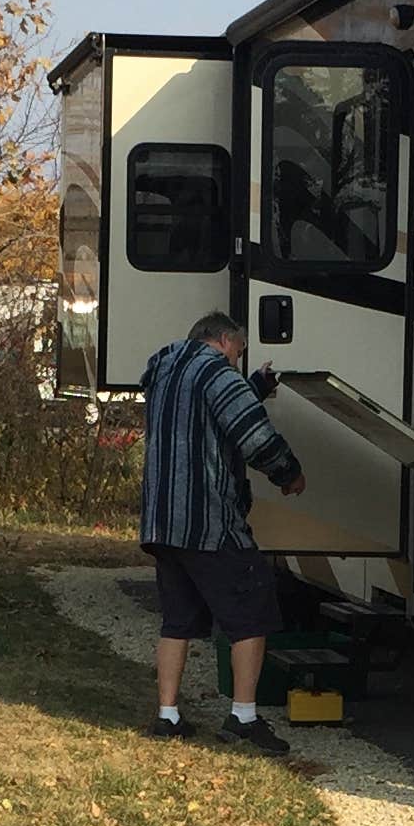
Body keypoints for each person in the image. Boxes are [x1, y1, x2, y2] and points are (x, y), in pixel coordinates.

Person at [138, 310, 306, 750]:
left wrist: (254, 387)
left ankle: (168, 716)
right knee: (251, 613)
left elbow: (206, 416)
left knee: (177, 620)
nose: (238, 358)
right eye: (239, 350)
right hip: (209, 523)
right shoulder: (219, 373)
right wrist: (288, 472)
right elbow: (251, 436)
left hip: (163, 522)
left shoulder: (166, 370)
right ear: (225, 341)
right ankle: (244, 718)